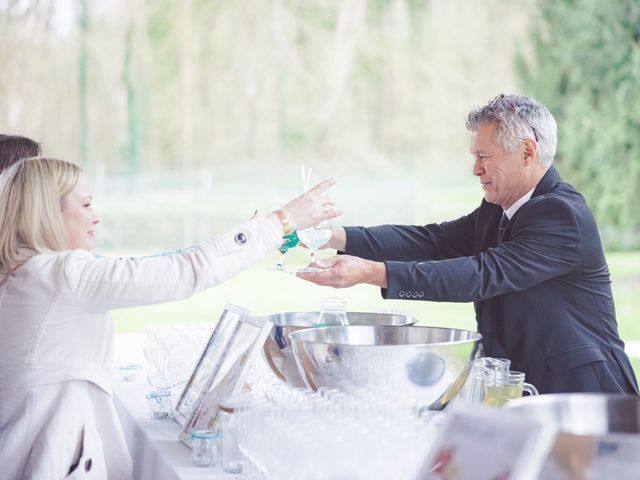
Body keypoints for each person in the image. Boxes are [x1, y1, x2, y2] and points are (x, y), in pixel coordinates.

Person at [0, 157, 339, 480]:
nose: (96, 217)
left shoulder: (23, 273)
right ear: (47, 213)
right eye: (86, 205)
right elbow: (184, 271)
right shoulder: (62, 275)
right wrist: (281, 221)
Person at [298, 93, 639, 396]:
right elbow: (433, 241)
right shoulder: (496, 209)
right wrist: (334, 235)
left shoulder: (561, 214)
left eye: (484, 157)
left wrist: (371, 273)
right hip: (526, 390)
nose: (475, 169)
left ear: (527, 151)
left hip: (586, 394)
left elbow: (481, 274)